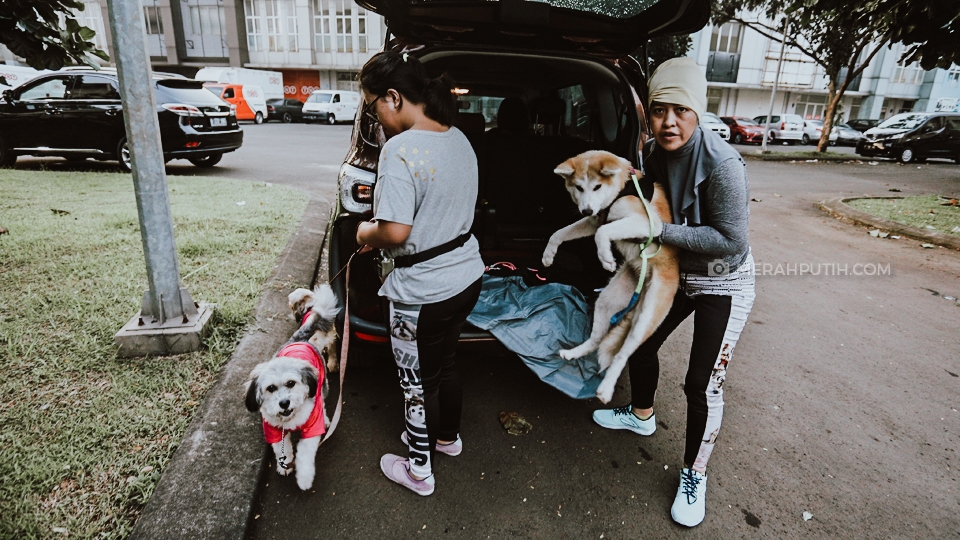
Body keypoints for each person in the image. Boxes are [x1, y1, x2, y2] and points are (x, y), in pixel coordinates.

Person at [590, 57, 756, 527]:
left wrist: (659, 231)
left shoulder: (724, 166)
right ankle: (641, 414)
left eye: (681, 111)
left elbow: (731, 240)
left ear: (697, 111)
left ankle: (694, 474)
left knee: (701, 383)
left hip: (724, 279)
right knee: (640, 342)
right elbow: (648, 198)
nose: (669, 122)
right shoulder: (654, 150)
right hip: (681, 273)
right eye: (660, 110)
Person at [355, 51, 484, 496]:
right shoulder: (459, 139)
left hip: (423, 291)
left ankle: (418, 471)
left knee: (416, 383)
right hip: (467, 277)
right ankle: (447, 438)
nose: (374, 119)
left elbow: (394, 231)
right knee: (445, 364)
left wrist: (364, 232)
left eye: (372, 107)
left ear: (393, 97)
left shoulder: (400, 149)